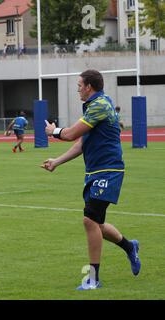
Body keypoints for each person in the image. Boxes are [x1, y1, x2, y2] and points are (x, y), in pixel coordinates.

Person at [41, 69, 141, 290]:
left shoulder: (100, 105)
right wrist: (57, 161)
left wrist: (53, 130)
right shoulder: (93, 106)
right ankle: (129, 247)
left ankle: (93, 278)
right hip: (95, 171)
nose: (77, 89)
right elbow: (82, 143)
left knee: (89, 220)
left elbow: (69, 134)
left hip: (109, 170)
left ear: (89, 86)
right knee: (97, 223)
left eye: (79, 85)